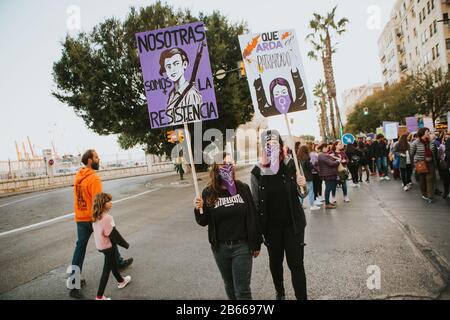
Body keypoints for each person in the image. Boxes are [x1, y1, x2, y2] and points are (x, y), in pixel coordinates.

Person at [195, 152, 262, 300]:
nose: (228, 167)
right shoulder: (208, 192)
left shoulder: (242, 188)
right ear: (216, 168)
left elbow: (253, 216)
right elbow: (203, 220)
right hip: (221, 249)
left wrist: (256, 243)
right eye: (224, 165)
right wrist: (199, 207)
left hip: (242, 246)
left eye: (230, 164)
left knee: (242, 291)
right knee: (230, 286)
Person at [67, 150, 133, 299]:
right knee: (110, 238)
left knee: (80, 248)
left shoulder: (78, 177)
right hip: (93, 217)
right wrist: (104, 214)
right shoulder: (94, 178)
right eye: (96, 157)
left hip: (80, 218)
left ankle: (74, 281)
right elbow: (99, 201)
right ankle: (119, 263)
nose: (99, 159)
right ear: (90, 160)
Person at [250, 130, 308, 300]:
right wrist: (257, 231)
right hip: (271, 228)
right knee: (276, 263)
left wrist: (302, 185)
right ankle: (280, 293)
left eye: (275, 143)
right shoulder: (257, 172)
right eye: (268, 144)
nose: (271, 147)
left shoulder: (292, 164)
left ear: (280, 145)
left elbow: (303, 193)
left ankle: (302, 297)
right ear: (264, 147)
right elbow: (255, 202)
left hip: (293, 225)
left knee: (296, 264)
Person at [92, 193, 132, 300]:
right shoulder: (107, 218)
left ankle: (121, 281)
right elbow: (114, 234)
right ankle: (99, 297)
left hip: (101, 246)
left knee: (113, 264)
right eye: (108, 201)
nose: (111, 203)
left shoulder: (97, 216)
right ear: (103, 204)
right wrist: (125, 244)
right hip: (108, 246)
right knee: (106, 270)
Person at [159, 47, 202, 124]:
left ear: (184, 64)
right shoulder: (171, 95)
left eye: (176, 64)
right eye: (168, 66)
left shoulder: (191, 94)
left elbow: (196, 124)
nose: (172, 69)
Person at [410, 128, 436, 203]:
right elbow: (412, 153)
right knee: (422, 180)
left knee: (430, 179)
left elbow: (432, 150)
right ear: (423, 133)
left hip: (430, 162)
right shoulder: (415, 142)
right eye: (427, 132)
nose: (429, 133)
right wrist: (416, 161)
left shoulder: (430, 142)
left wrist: (431, 140)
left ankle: (430, 196)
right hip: (420, 163)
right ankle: (424, 194)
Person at [317, 143, 340, 209]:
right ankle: (327, 204)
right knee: (328, 188)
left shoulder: (323, 155)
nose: (328, 149)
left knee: (329, 188)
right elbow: (331, 163)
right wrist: (338, 161)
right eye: (327, 148)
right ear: (323, 148)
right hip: (328, 174)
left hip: (328, 174)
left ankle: (328, 202)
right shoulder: (322, 155)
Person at [298, 145, 320, 211]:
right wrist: (317, 170)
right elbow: (311, 167)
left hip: (301, 177)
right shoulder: (307, 159)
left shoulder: (298, 159)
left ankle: (300, 205)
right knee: (311, 191)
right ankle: (312, 205)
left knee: (301, 192)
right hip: (308, 177)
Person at [437, 132, 449, 199]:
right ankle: (446, 192)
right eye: (446, 138)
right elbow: (439, 156)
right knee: (446, 180)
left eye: (448, 138)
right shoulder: (441, 146)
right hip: (444, 165)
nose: (447, 139)